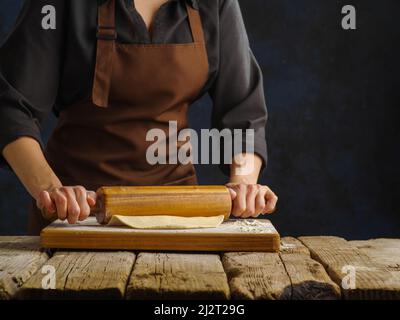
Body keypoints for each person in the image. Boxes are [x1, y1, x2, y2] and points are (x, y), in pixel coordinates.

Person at [0, 0, 277, 235]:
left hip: (181, 217)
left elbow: (243, 111)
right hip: (79, 214)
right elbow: (11, 107)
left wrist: (243, 184)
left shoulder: (214, 4)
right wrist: (51, 190)